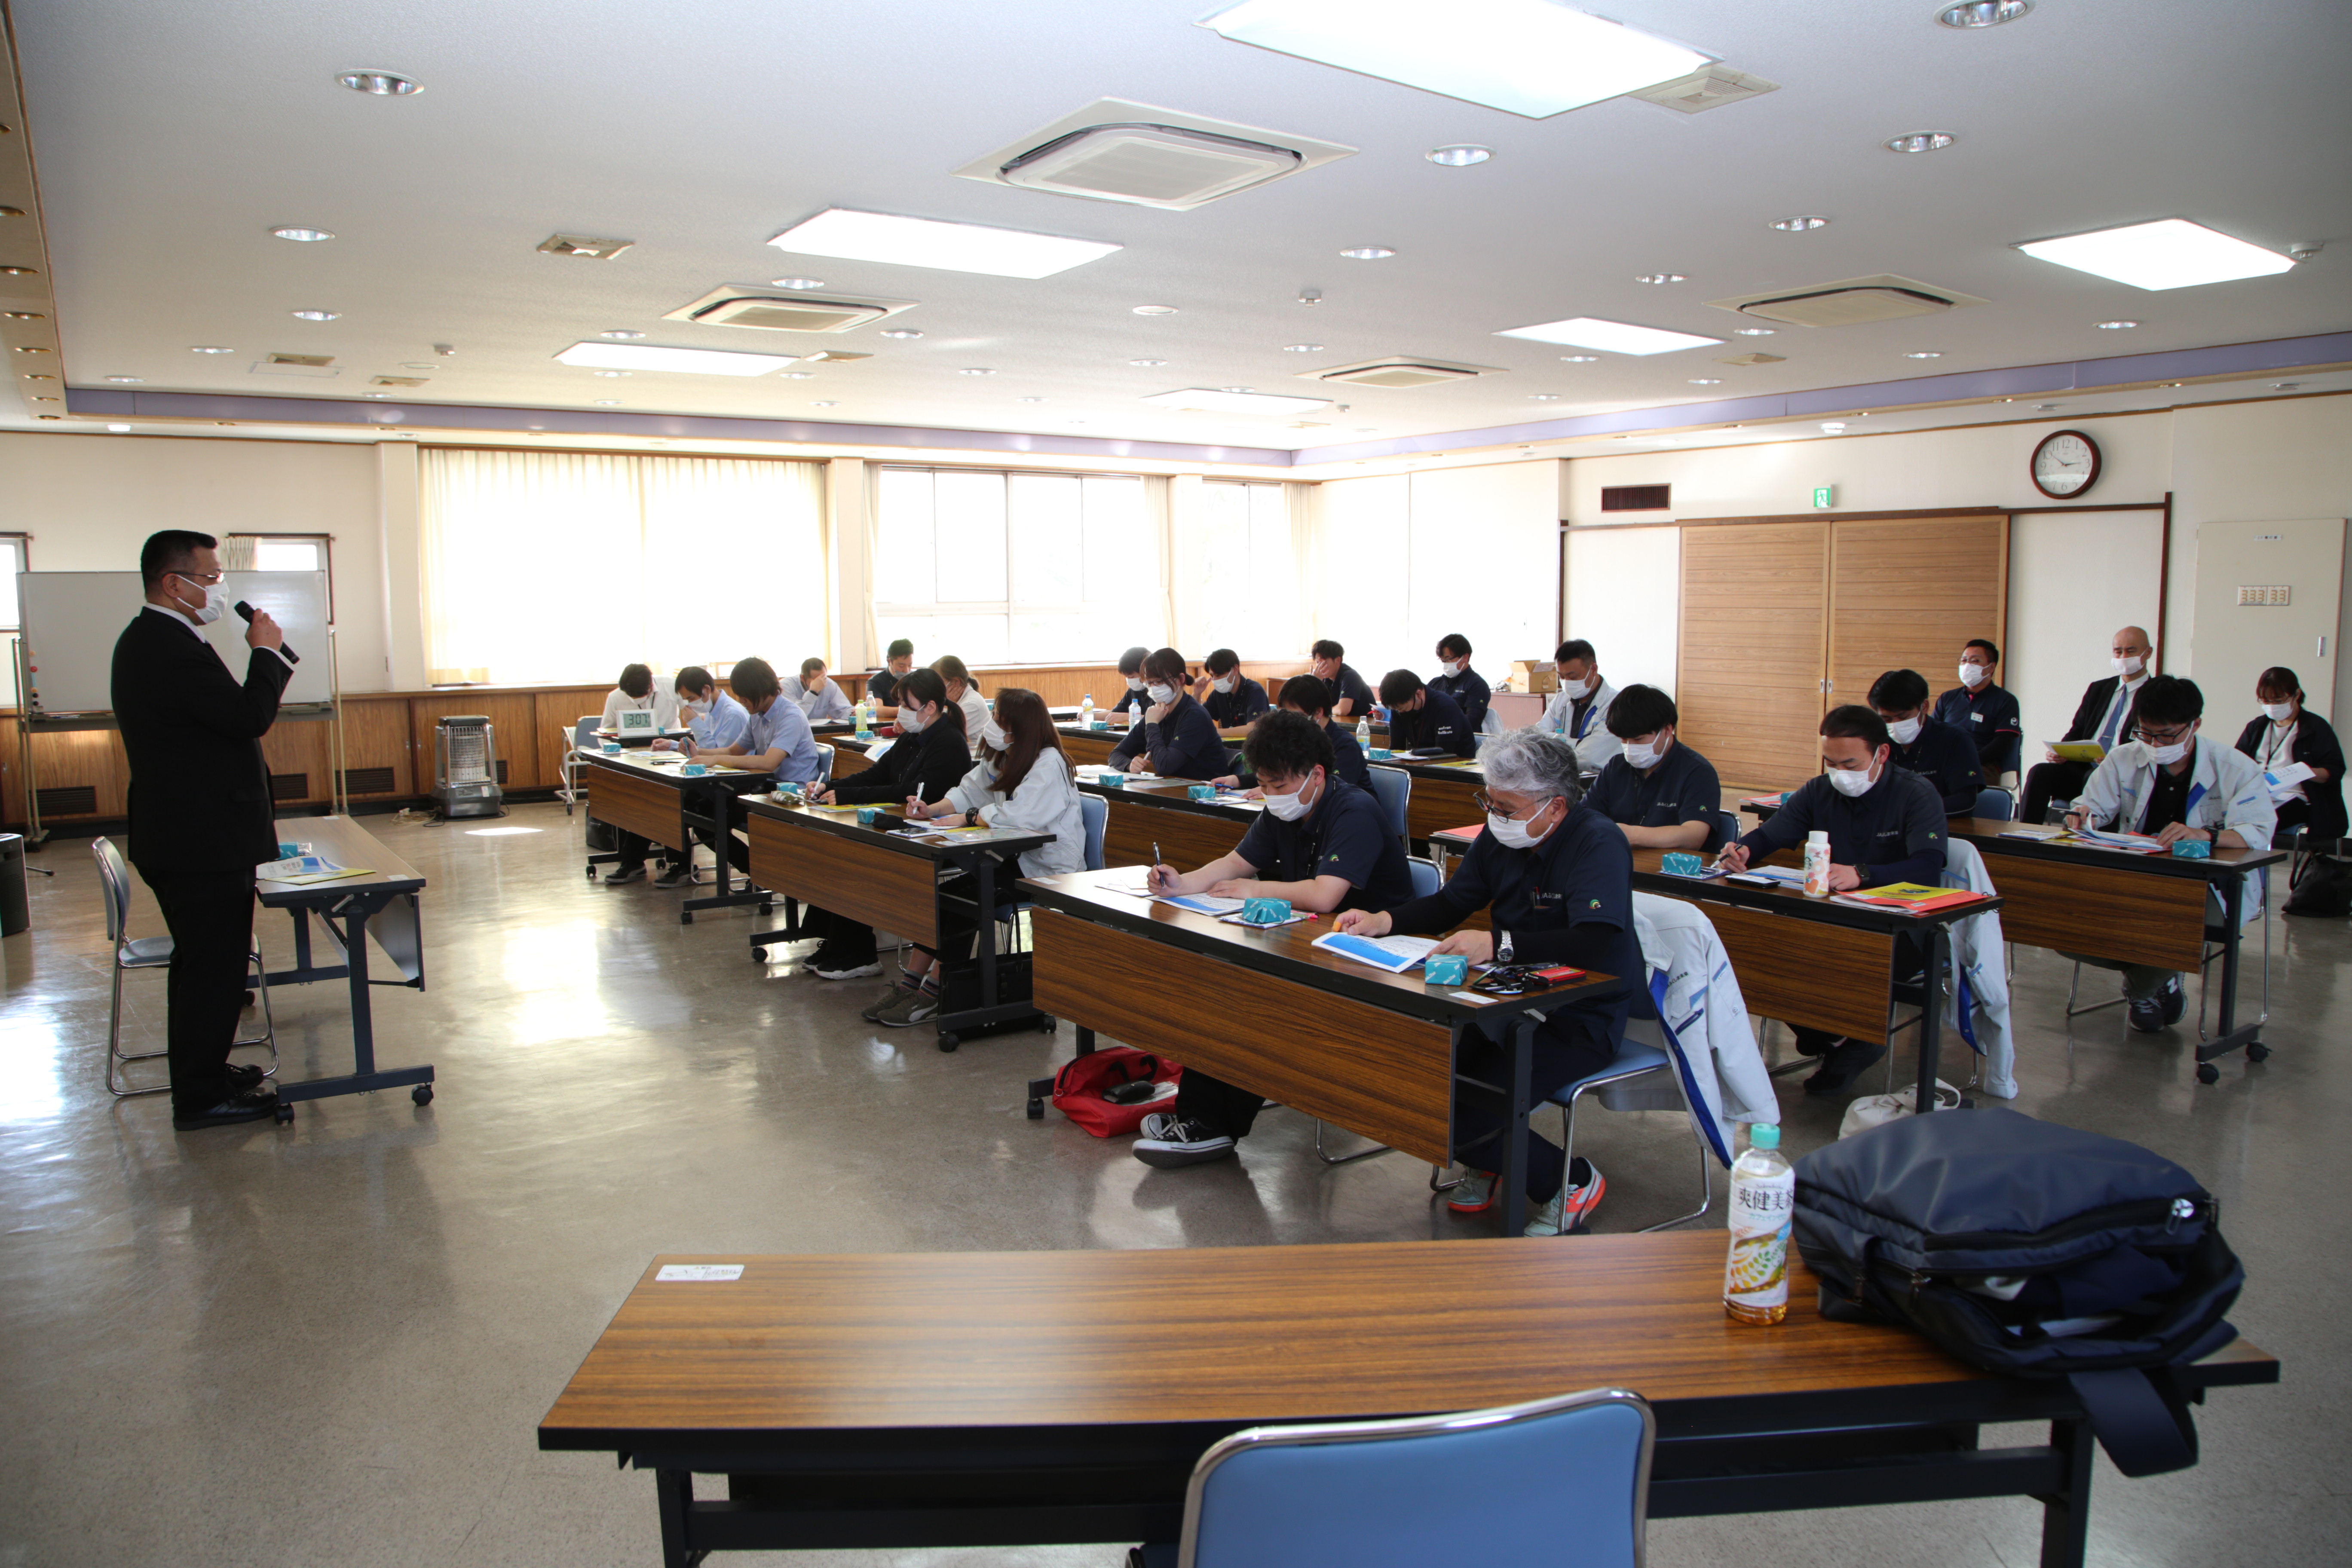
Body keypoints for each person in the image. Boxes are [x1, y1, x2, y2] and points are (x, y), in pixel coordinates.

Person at [1328, 730, 1638, 1237]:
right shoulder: (1505, 835)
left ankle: (1570, 1180)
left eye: (1506, 807)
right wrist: (1386, 920)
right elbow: (1453, 903)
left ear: (1556, 807)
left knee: (1469, 1112)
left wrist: (1500, 944)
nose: (1495, 815)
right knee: (1423, 1081)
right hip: (1504, 999)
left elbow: (1596, 943)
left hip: (1579, 1014)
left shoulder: (1597, 842)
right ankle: (1490, 1160)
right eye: (1489, 802)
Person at [1131, 710, 1416, 1170]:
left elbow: (1324, 896)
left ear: (1316, 775)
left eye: (1279, 785)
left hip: (1373, 960)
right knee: (1222, 981)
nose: (1271, 795)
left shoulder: (1354, 811)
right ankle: (1199, 1118)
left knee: (1254, 998)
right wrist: (1182, 884)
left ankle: (1210, 1125)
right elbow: (1235, 862)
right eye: (1264, 785)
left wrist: (1257, 890)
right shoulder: (1287, 807)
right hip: (1314, 943)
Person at [111, 529, 294, 1129]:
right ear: (173, 583)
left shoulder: (157, 639)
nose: (219, 589)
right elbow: (247, 716)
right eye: (210, 578)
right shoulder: (167, 646)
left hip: (189, 835)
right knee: (213, 971)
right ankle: (200, 1098)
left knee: (201, 966)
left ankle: (204, 1073)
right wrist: (265, 653)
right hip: (201, 842)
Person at [1719, 706, 1950, 1094]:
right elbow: (1772, 834)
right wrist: (1744, 850)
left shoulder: (1916, 794)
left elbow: (1928, 868)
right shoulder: (1819, 790)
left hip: (1897, 928)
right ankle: (1836, 1038)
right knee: (1759, 950)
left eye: (1850, 764)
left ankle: (1848, 1037)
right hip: (1826, 916)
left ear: (1882, 754)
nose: (1841, 773)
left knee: (1832, 958)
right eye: (1831, 763)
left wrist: (1863, 874)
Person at [2063, 675, 2275, 1032]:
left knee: (2179, 922)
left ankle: (2143, 987)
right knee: (2068, 925)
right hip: (2135, 874)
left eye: (2166, 736)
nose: (2155, 745)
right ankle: (2161, 975)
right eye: (2145, 734)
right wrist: (2083, 815)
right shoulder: (2124, 758)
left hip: (2205, 884)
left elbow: (2258, 834)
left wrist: (2206, 835)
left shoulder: (2235, 768)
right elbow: (2092, 805)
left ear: (2195, 725)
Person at [885, 689, 1087, 1026]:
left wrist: (970, 818)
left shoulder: (1050, 763)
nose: (991, 724)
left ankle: (936, 992)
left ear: (1019, 726)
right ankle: (910, 984)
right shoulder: (1005, 753)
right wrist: (932, 810)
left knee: (967, 900)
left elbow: (1021, 817)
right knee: (943, 895)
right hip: (1013, 858)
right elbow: (970, 790)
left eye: (998, 719)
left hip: (1047, 869)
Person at [799, 669, 975, 981]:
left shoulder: (949, 742)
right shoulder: (912, 737)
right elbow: (877, 775)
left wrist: (847, 796)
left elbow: (908, 792)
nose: (901, 712)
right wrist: (830, 786)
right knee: (835, 849)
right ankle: (838, 944)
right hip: (903, 825)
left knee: (857, 857)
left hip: (933, 836)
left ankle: (858, 953)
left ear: (929, 707)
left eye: (907, 706)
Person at [670, 656, 825, 878]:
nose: (742, 701)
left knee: (715, 815)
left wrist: (716, 760)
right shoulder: (757, 715)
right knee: (704, 816)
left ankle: (765, 874)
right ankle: (758, 872)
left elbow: (769, 762)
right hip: (765, 789)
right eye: (739, 695)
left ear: (763, 690)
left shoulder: (790, 715)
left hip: (792, 793)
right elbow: (734, 751)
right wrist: (699, 753)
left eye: (745, 696)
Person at [607, 665, 748, 887]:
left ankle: (682, 866)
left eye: (690, 698)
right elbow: (703, 750)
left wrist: (695, 723)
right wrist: (674, 745)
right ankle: (635, 862)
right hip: (714, 780)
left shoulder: (733, 714)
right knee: (655, 796)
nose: (689, 704)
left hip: (733, 785)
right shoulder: (714, 711)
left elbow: (719, 755)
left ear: (705, 690)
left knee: (672, 801)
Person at [2019, 626, 2154, 824]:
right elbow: (2078, 730)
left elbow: (2149, 744)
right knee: (2040, 773)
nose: (2123, 657)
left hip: (2121, 775)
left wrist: (2113, 759)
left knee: (2095, 775)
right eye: (2118, 651)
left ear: (2148, 653)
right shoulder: (2099, 688)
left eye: (2131, 651)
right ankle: (2026, 833)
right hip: (2083, 767)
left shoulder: (2155, 694)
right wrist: (2061, 751)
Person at [1583, 683, 1721, 851]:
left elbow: (1694, 836)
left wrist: (1633, 835)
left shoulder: (1697, 772)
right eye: (1623, 740)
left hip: (1668, 864)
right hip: (1617, 858)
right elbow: (1585, 816)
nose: (1630, 748)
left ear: (1667, 730)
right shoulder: (1616, 767)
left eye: (1638, 740)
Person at [2233, 666, 2346, 843]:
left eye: (2278, 701)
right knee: (2225, 816)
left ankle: (2249, 858)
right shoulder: (2257, 727)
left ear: (2296, 695)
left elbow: (2334, 770)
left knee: (2256, 823)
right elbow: (2237, 763)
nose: (2272, 707)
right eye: (2265, 701)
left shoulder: (2315, 727)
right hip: (2259, 794)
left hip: (2298, 798)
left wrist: (2306, 772)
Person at [1213, 674, 1369, 789]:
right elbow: (1277, 774)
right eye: (1285, 713)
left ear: (1318, 712)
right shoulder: (1295, 739)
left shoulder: (1345, 746)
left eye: (1294, 714)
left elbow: (1334, 788)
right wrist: (1238, 781)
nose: (1288, 720)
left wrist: (1277, 792)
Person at [1869, 668, 1984, 817]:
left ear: (1924, 707)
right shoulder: (1875, 741)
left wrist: (1912, 811)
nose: (1895, 724)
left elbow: (1966, 801)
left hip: (1939, 824)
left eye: (1903, 717)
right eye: (1886, 719)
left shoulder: (1955, 739)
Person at [1107, 648, 1230, 780]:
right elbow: (1116, 754)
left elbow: (1164, 767)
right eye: (1149, 683)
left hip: (1206, 789)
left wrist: (1152, 725)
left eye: (1159, 682)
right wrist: (1129, 764)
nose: (1154, 688)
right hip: (1173, 787)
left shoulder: (1195, 715)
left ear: (1180, 679)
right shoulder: (1156, 712)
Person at [1933, 639, 2021, 780]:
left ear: (1991, 668)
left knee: (1960, 782)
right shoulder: (1947, 698)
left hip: (1982, 765)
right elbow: (1933, 733)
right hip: (1944, 762)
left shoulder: (2006, 701)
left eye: (1975, 661)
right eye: (1964, 660)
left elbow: (2003, 743)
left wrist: (1969, 759)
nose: (1967, 665)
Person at [1539, 638, 1621, 773]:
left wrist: (1556, 741)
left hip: (1597, 779)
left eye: (1573, 677)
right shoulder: (1561, 699)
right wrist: (1577, 743)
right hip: (1561, 777)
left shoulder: (1615, 705)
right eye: (1562, 677)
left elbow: (1589, 758)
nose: (1566, 683)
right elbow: (1538, 738)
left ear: (1593, 669)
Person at [1377, 668, 1476, 757]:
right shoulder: (1398, 708)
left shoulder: (1445, 707)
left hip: (1456, 764)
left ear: (1418, 694)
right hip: (1421, 762)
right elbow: (1396, 750)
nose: (1400, 712)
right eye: (1396, 709)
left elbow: (1444, 754)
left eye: (1403, 708)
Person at [1193, 648, 1270, 727]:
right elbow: (1197, 718)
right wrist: (1196, 694)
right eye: (1212, 676)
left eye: (1218, 675)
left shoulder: (1255, 691)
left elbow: (1252, 728)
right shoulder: (1219, 693)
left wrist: (1213, 732)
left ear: (1235, 670)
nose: (1214, 680)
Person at [1430, 633, 1491, 732]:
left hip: (1459, 738)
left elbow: (1471, 721)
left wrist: (1442, 729)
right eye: (1443, 660)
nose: (1446, 664)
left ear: (1465, 658)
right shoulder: (1435, 683)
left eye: (1448, 659)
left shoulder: (1477, 685)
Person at [932, 655, 990, 756]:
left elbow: (942, 735)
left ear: (955, 682)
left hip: (972, 759)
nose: (935, 688)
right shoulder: (959, 701)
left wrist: (949, 704)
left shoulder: (971, 704)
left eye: (938, 683)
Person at [600, 662, 678, 735]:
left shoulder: (672, 685)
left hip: (669, 740)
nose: (635, 701)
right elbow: (606, 731)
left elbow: (686, 711)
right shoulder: (615, 697)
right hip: (632, 743)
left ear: (651, 686)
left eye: (640, 698)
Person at [1308, 638, 1377, 718]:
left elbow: (1343, 710)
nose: (1320, 667)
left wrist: (1321, 712)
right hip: (1342, 722)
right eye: (1318, 663)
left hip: (1363, 724)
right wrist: (1314, 683)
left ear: (1338, 660)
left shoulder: (1350, 676)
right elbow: (1309, 707)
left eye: (1323, 662)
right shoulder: (1325, 678)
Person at [793, 658, 854, 724]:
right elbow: (794, 716)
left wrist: (852, 714)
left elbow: (841, 710)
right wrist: (813, 692)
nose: (821, 683)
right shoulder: (788, 686)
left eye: (823, 678)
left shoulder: (829, 684)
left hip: (819, 729)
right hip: (795, 729)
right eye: (816, 681)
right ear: (802, 678)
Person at [866, 639, 916, 717]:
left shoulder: (916, 678)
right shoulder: (876, 682)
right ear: (889, 661)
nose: (906, 670)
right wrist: (909, 711)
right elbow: (876, 709)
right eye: (901, 666)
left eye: (910, 665)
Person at [1109, 646, 1152, 721]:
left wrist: (1129, 717)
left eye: (1132, 677)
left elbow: (1160, 720)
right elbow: (1114, 714)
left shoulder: (1157, 691)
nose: (1130, 680)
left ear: (1144, 671)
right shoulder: (1133, 691)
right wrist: (1091, 715)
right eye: (1127, 677)